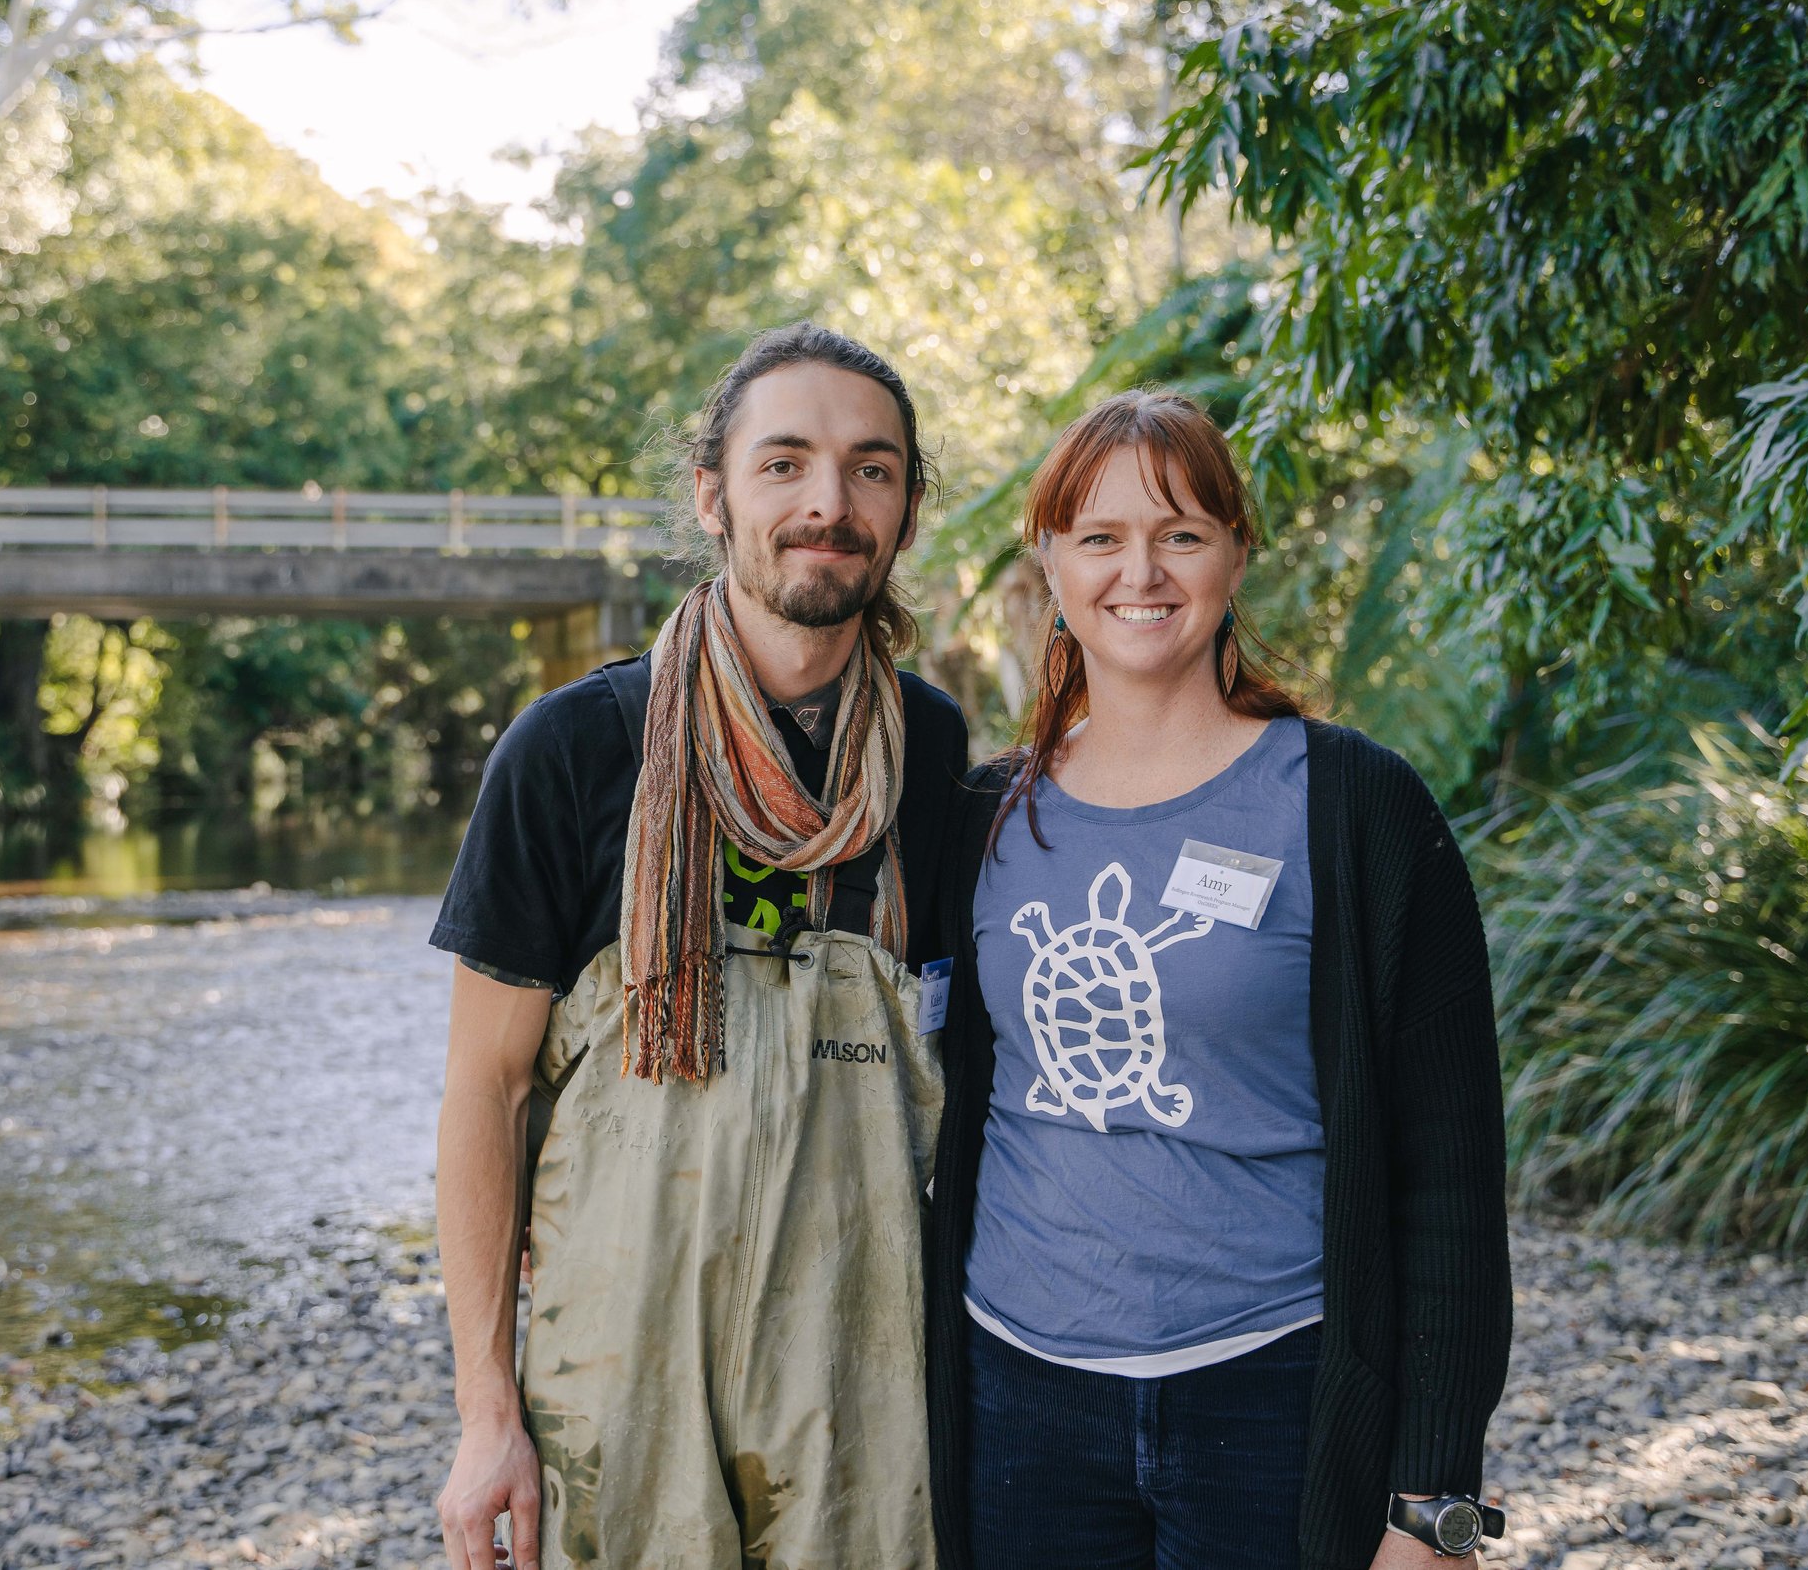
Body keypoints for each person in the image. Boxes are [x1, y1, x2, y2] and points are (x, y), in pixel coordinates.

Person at [921, 390, 1512, 1570]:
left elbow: (1451, 1173)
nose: (1139, 570)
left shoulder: (1356, 809)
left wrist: (1432, 1502)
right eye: (1099, 536)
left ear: (1236, 552)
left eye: (1180, 532)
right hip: (1016, 1395)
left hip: (1272, 1392)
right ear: (1048, 559)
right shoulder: (979, 815)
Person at [430, 322, 970, 1570]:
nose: (827, 502)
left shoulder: (934, 759)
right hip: (618, 1374)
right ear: (711, 492)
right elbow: (486, 1089)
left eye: (869, 467)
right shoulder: (570, 752)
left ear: (906, 504)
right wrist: (486, 1412)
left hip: (860, 1375)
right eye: (783, 462)